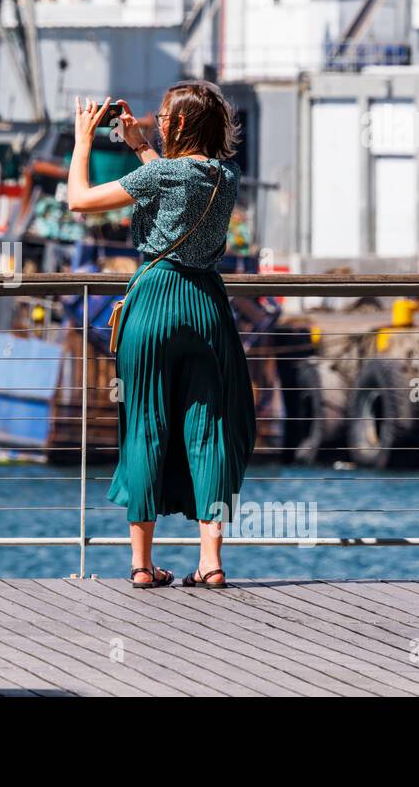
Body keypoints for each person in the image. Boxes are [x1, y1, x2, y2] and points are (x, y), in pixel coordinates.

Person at [66, 81, 257, 589]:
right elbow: (176, 178)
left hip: (154, 303)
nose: (155, 121)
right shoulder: (227, 176)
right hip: (207, 307)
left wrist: (84, 140)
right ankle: (211, 562)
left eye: (162, 117)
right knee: (209, 428)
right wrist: (137, 144)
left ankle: (142, 565)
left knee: (145, 423)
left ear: (176, 126)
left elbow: (79, 202)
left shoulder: (161, 174)